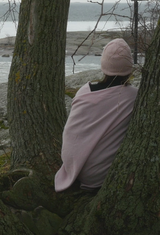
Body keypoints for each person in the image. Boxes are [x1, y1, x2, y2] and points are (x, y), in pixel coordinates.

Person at [54, 38, 138, 192]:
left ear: (104, 66)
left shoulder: (84, 91)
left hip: (72, 167)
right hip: (99, 176)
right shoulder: (133, 96)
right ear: (129, 68)